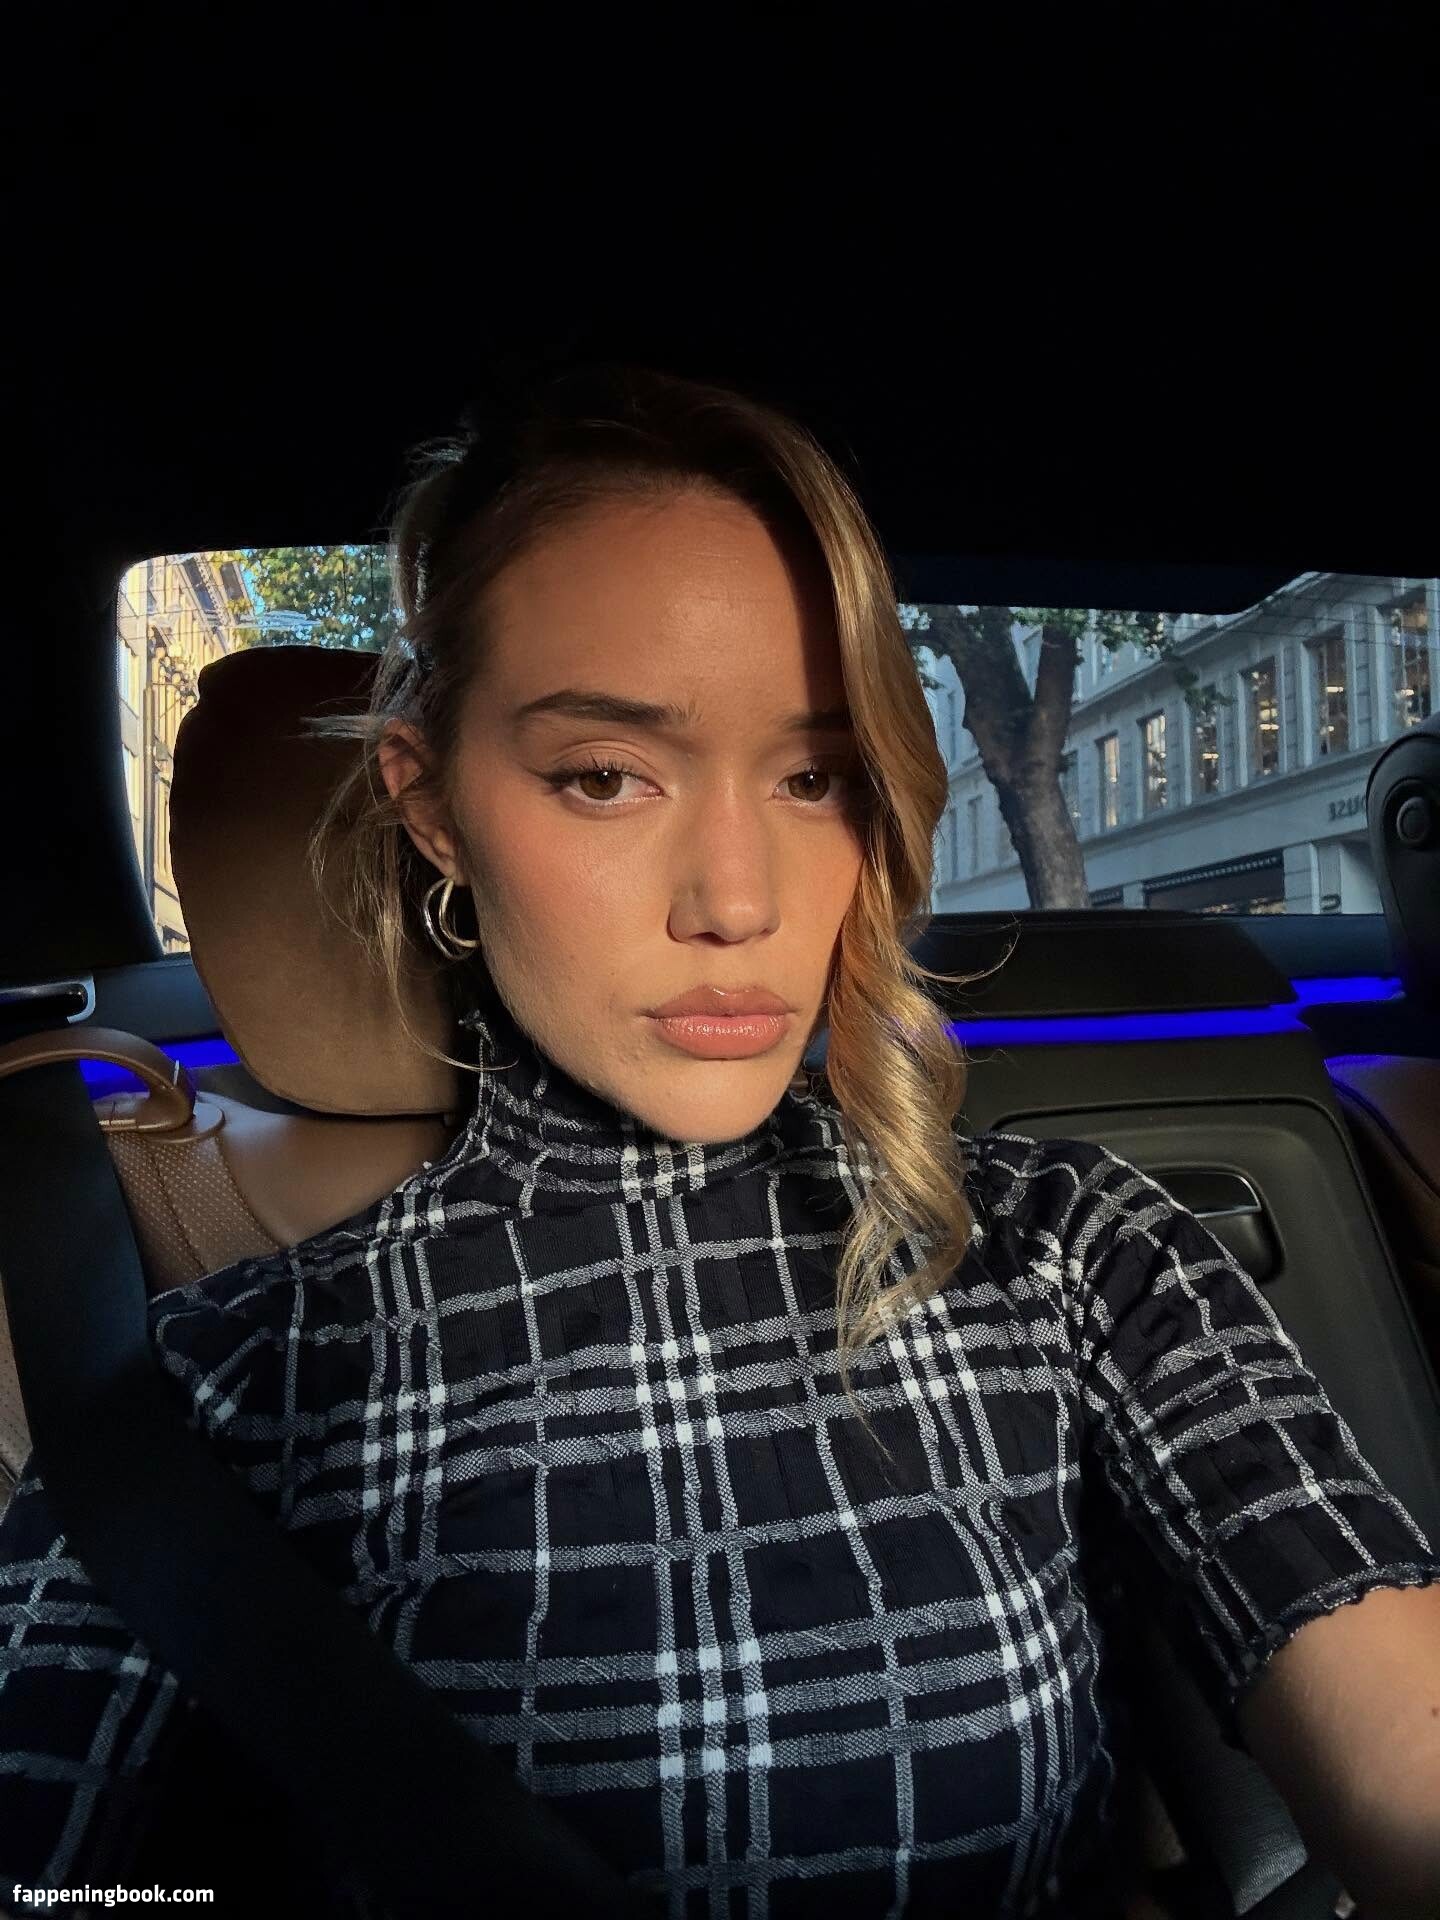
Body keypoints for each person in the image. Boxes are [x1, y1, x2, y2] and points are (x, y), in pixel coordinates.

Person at [1, 363, 1438, 1919]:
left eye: (815, 777)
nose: (740, 901)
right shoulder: (227, 1387)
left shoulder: (1073, 1246)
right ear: (433, 810)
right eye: (604, 776)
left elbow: (1402, 1731)